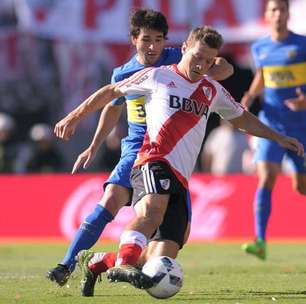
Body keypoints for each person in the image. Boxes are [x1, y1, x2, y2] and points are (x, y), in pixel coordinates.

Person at [54, 26, 303, 292]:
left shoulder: (211, 90)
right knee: (151, 212)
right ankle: (121, 263)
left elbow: (242, 119)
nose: (201, 65)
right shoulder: (157, 77)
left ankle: (97, 262)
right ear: (184, 48)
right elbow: (111, 92)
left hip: (182, 178)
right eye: (197, 56)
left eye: (208, 61)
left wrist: (277, 137)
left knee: (159, 257)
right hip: (153, 161)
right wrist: (74, 116)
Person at [46, 9, 234, 288]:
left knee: (171, 244)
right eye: (146, 39)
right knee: (109, 200)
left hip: (172, 154)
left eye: (159, 40)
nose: (153, 47)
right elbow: (112, 109)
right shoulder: (123, 73)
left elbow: (225, 67)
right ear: (134, 40)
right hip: (136, 150)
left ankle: (101, 261)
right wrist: (93, 146)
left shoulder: (178, 59)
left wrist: (205, 69)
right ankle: (66, 263)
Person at [240, 0, 306, 260]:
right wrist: (249, 95)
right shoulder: (260, 47)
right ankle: (260, 240)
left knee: (301, 187)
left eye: (282, 9)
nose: (278, 14)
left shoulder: (302, 45)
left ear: (289, 13)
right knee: (266, 175)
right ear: (267, 15)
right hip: (271, 124)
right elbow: (263, 75)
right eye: (273, 10)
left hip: (300, 127)